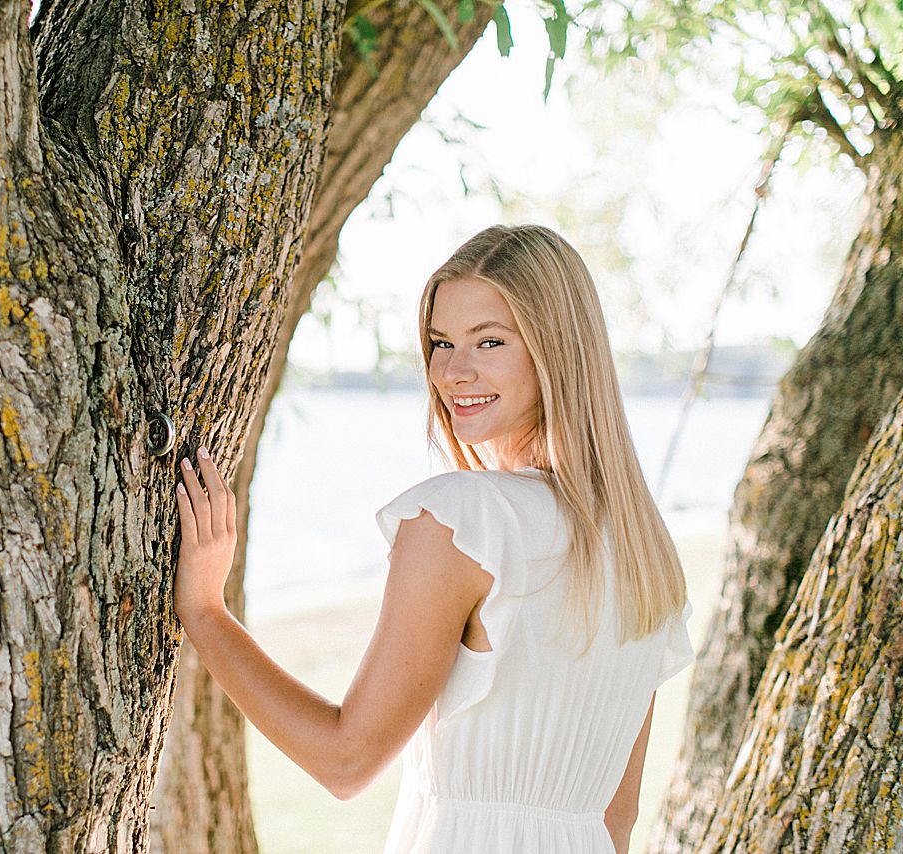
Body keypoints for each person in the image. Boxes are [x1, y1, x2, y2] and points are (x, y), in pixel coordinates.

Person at [172, 223, 696, 853]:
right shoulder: (642, 549)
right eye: (441, 342)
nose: (452, 371)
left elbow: (346, 761)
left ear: (557, 351)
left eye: (490, 341)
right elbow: (617, 815)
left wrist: (205, 612)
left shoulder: (462, 521)